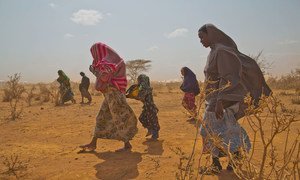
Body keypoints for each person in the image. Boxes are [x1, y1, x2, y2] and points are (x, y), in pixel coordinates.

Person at [198, 24, 271, 173]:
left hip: (221, 101)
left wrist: (220, 101)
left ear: (210, 35)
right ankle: (224, 162)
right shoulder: (214, 51)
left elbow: (229, 77)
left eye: (202, 37)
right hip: (214, 99)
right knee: (220, 130)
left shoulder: (222, 51)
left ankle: (229, 159)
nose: (200, 41)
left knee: (215, 130)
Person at [80, 42, 138, 152]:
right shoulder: (114, 61)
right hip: (110, 94)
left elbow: (104, 77)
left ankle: (127, 143)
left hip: (114, 94)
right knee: (102, 117)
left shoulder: (109, 62)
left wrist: (94, 71)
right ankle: (93, 143)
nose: (94, 56)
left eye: (94, 53)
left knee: (119, 118)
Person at [127, 74, 160, 140]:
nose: (138, 81)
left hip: (150, 107)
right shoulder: (142, 88)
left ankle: (155, 135)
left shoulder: (146, 88)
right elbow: (138, 95)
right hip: (146, 107)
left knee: (153, 120)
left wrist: (130, 95)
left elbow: (140, 96)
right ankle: (150, 129)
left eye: (139, 79)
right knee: (142, 118)